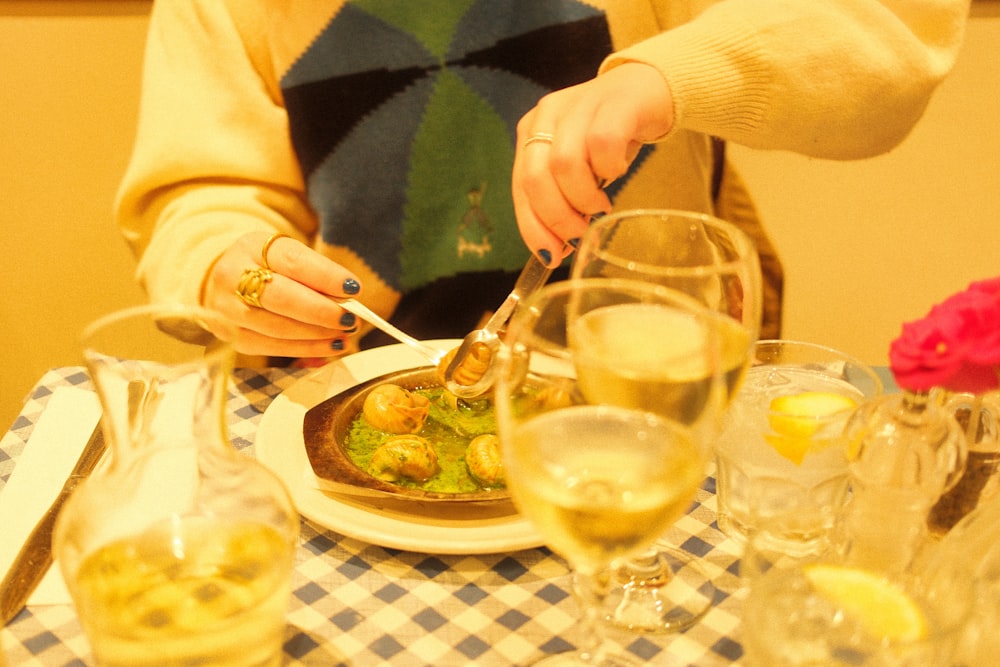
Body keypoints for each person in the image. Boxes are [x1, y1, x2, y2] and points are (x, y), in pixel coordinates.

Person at [116, 0, 969, 363]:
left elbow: (886, 34)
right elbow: (197, 196)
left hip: (641, 409)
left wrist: (665, 79)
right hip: (339, 410)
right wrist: (224, 265)